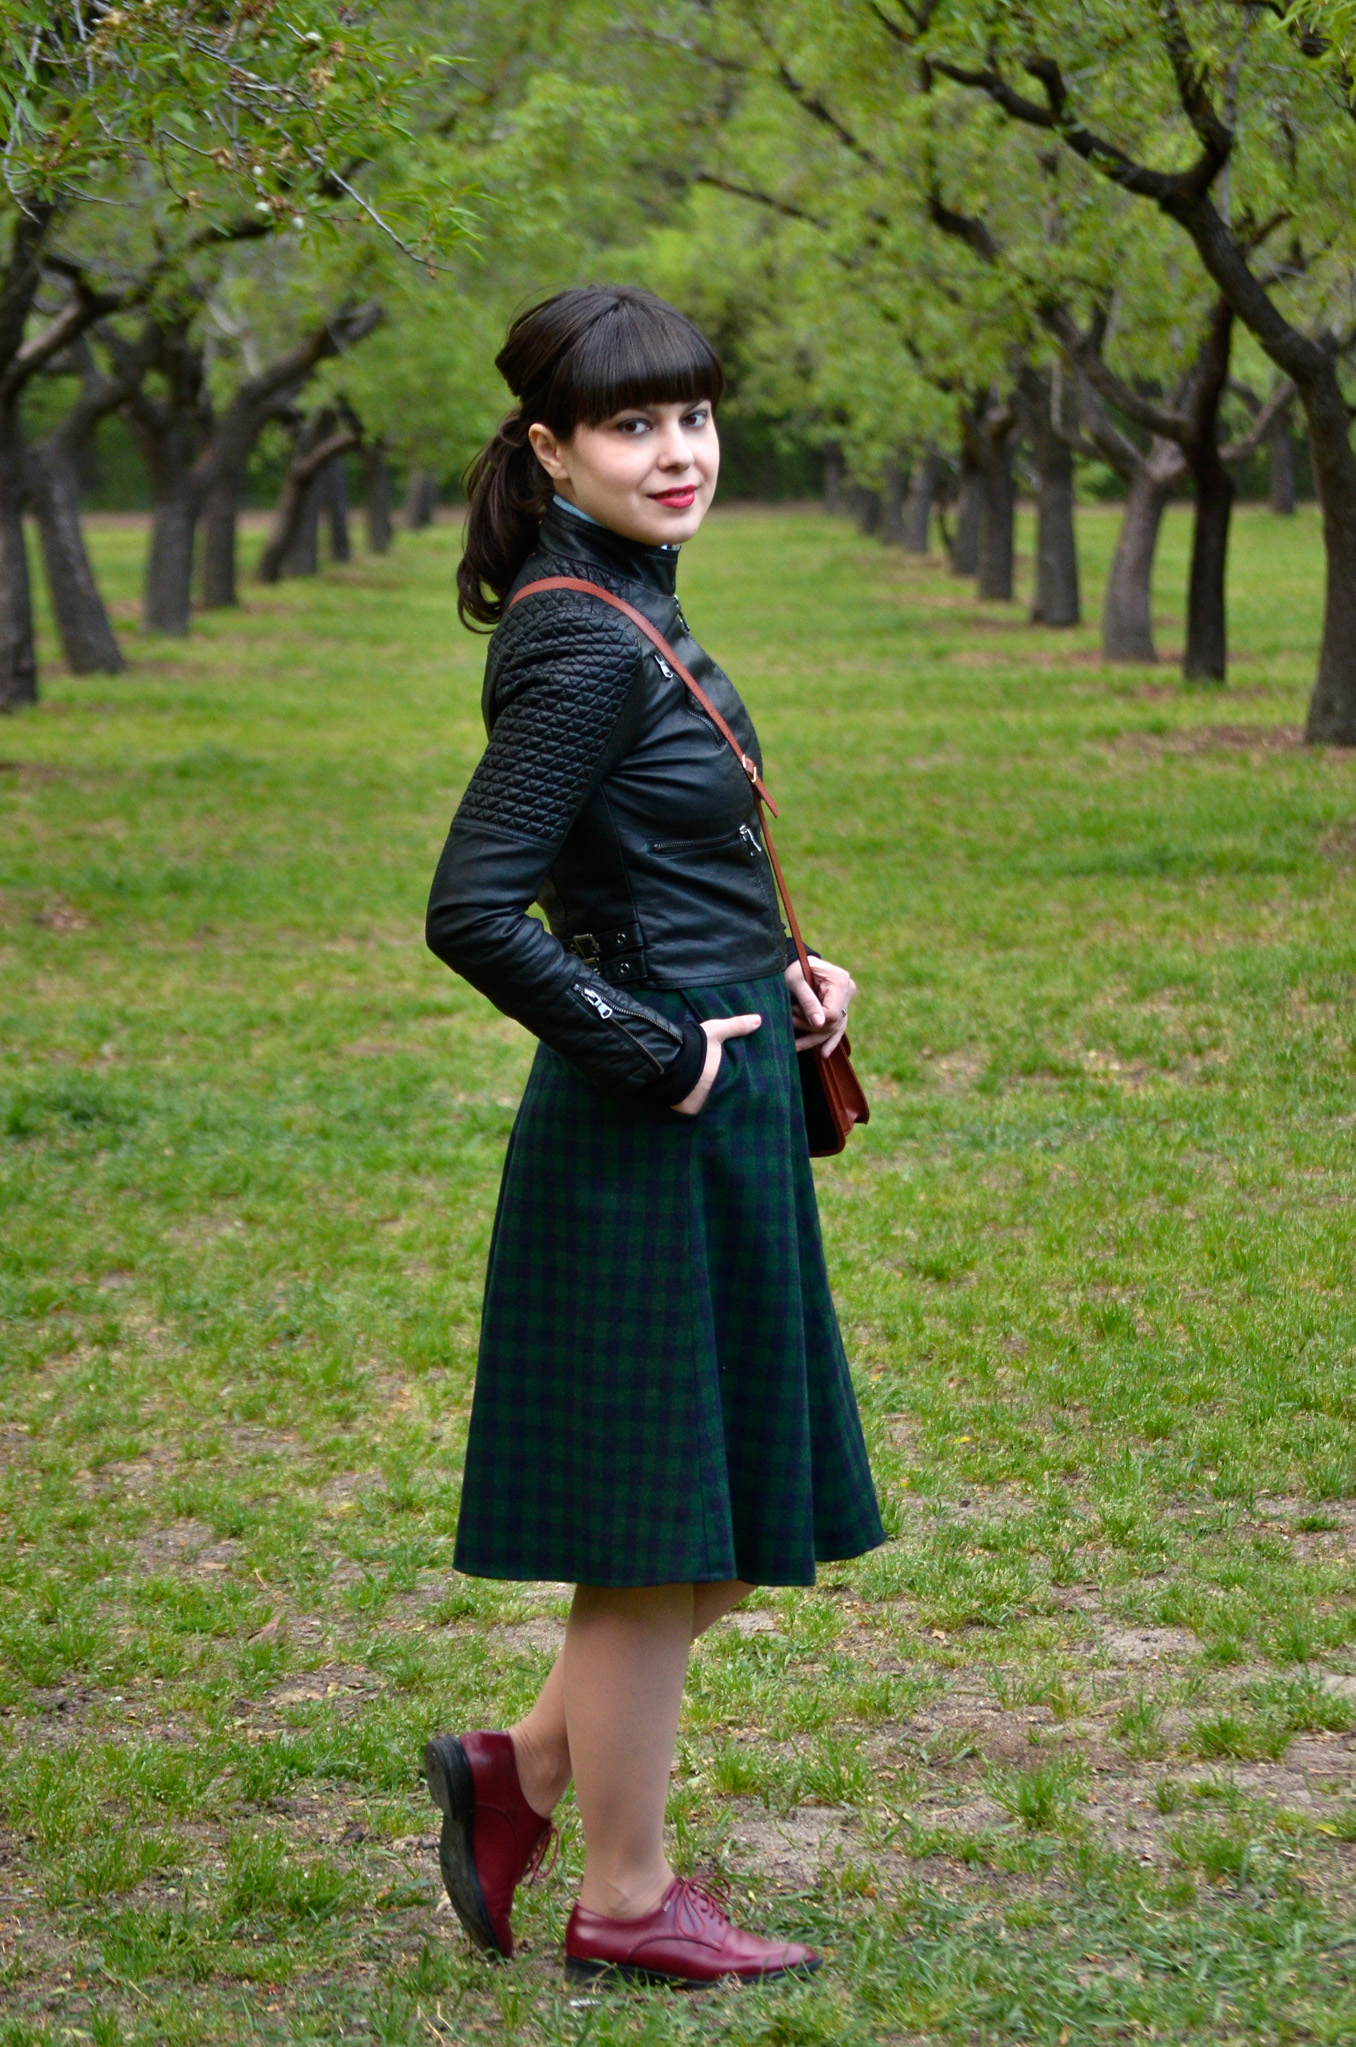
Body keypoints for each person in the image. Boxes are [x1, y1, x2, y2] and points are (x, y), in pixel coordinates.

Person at [422, 285, 884, 1989]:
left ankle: (518, 1771)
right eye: (633, 425)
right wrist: (653, 1044)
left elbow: (652, 861)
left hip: (723, 1111)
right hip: (650, 1136)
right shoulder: (574, 634)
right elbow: (474, 908)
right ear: (554, 450)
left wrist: (781, 966)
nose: (677, 450)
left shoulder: (629, 599)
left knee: (728, 1530)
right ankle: (623, 1896)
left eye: (693, 415)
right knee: (654, 1554)